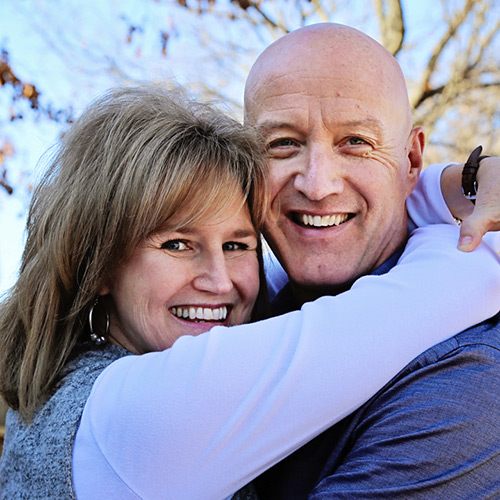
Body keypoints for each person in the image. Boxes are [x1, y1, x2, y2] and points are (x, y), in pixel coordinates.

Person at [0, 85, 498, 500]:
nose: (221, 282)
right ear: (98, 265)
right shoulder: (135, 413)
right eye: (177, 244)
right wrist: (482, 222)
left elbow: (304, 270)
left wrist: (450, 186)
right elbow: (414, 304)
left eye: (237, 245)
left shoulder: (73, 379)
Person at [243, 23, 500, 499]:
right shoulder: (231, 306)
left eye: (356, 142)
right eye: (282, 143)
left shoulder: (467, 382)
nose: (317, 185)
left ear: (411, 163)